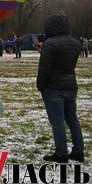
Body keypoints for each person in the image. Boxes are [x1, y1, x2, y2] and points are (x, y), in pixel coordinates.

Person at [37, 13, 84, 163]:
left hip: (54, 88)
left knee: (57, 121)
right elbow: (66, 64)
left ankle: (61, 154)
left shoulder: (50, 44)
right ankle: (78, 151)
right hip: (71, 86)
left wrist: (41, 85)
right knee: (72, 119)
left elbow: (44, 69)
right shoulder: (75, 43)